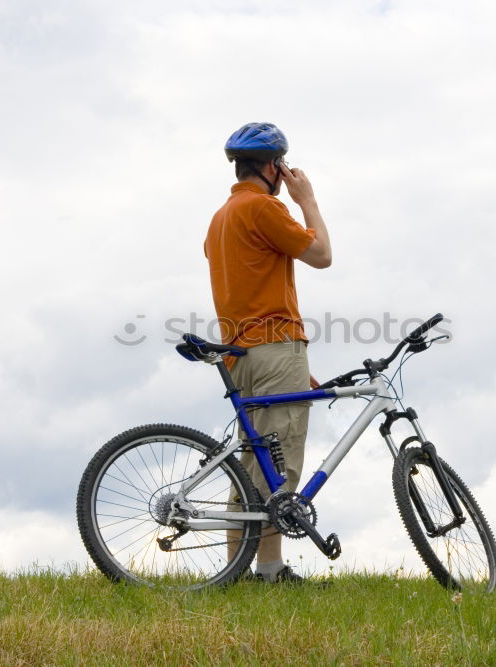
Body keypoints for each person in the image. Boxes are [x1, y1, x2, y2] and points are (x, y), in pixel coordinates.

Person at [203, 122, 332, 583]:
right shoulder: (264, 207)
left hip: (241, 355)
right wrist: (308, 201)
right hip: (274, 344)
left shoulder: (221, 217)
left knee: (251, 464)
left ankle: (238, 571)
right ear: (274, 166)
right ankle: (272, 570)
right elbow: (321, 254)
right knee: (280, 463)